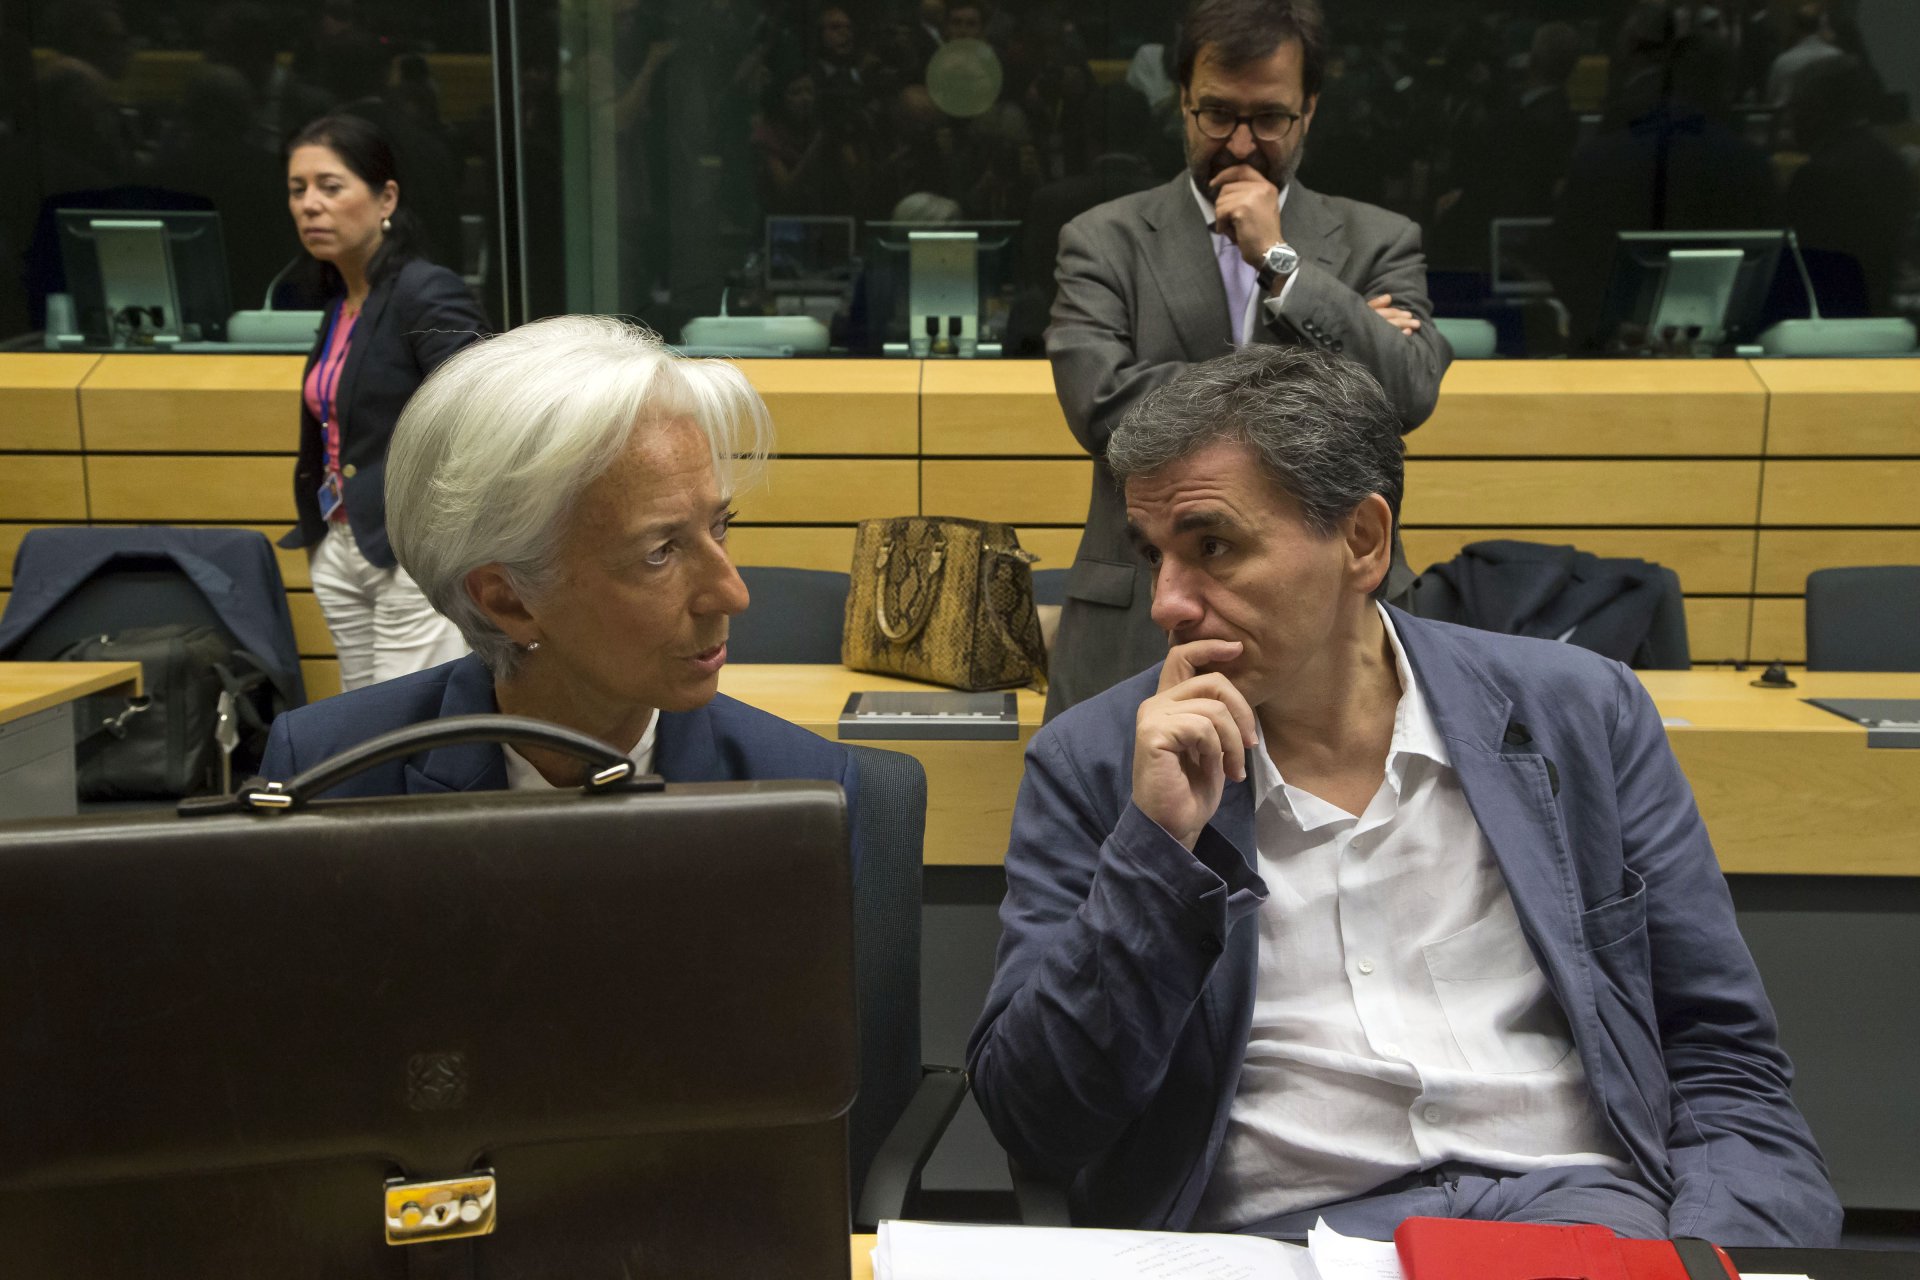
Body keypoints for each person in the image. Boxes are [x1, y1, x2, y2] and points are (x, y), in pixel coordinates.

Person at [968, 346, 1840, 1246]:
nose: (1167, 603)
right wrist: (1156, 856)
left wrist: (1716, 1255)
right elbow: (1039, 1120)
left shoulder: (1579, 713)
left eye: (1213, 547)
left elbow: (1719, 1055)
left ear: (1362, 541)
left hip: (1575, 1213)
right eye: (1154, 556)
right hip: (1280, 1240)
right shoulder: (1099, 762)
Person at [259, 316, 863, 870]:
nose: (732, 594)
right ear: (508, 600)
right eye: (659, 551)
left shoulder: (809, 793)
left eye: (719, 525)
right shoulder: (323, 776)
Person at [1043, 0, 1450, 720]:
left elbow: (1408, 391)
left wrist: (1282, 263)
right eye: (1217, 114)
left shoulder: (1380, 239)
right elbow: (1102, 407)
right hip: (1141, 620)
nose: (1238, 143)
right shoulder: (1102, 241)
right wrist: (1323, 358)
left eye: (1268, 118)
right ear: (1182, 101)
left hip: (1334, 629)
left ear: (1309, 110)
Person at [279, 113, 488, 692]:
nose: (309, 205)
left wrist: (438, 534)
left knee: (406, 718)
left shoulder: (425, 290)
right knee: (362, 714)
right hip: (342, 540)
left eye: (330, 186)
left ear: (385, 198)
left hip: (410, 546)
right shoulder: (341, 303)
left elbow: (483, 412)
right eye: (298, 189)